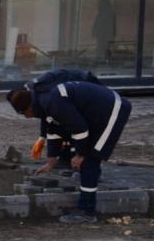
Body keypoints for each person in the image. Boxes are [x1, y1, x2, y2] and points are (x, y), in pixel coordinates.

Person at [7, 77, 131, 224]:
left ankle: (87, 211)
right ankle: (89, 180)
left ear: (29, 107)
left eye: (23, 113)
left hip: (112, 110)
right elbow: (53, 131)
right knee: (83, 152)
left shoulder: (52, 102)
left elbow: (80, 130)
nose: (27, 117)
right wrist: (51, 162)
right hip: (93, 113)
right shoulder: (42, 101)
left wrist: (80, 155)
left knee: (90, 159)